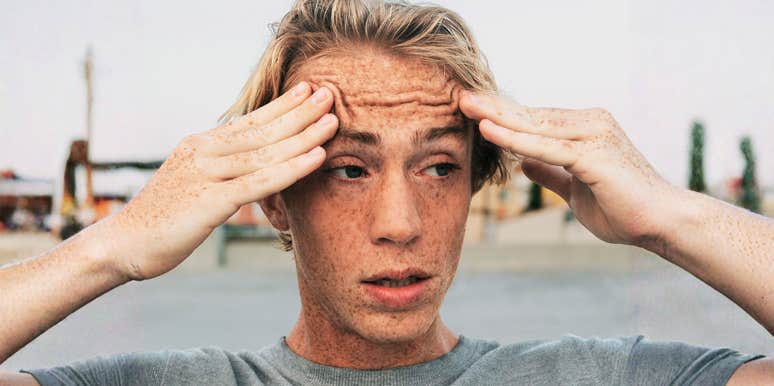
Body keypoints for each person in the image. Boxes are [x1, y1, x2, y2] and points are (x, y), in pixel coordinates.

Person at [1, 0, 772, 384]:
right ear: (275, 197)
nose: (400, 224)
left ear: (476, 179)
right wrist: (112, 248)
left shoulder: (592, 375)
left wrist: (672, 219)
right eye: (348, 169)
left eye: (439, 166)